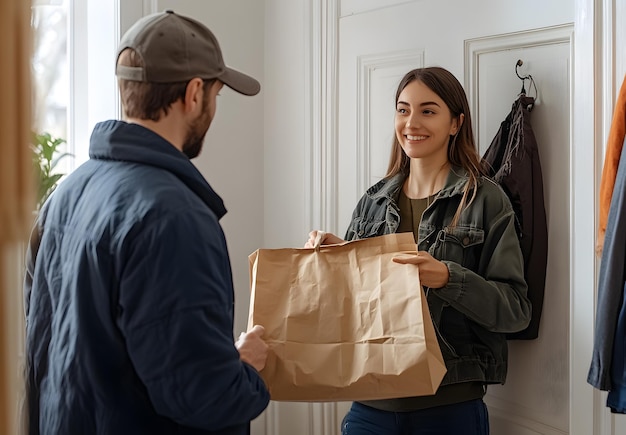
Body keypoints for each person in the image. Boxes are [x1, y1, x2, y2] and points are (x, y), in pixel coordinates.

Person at [24, 10, 269, 435]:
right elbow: (202, 396)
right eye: (215, 94)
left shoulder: (67, 192)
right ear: (194, 94)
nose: (212, 106)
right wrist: (242, 369)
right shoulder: (174, 217)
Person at [305, 67, 532, 434]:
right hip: (368, 408)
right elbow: (349, 308)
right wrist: (336, 257)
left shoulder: (486, 200)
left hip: (449, 408)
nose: (412, 122)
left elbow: (516, 311)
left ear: (455, 123)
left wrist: (447, 278)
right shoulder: (373, 201)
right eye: (403, 109)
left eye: (428, 110)